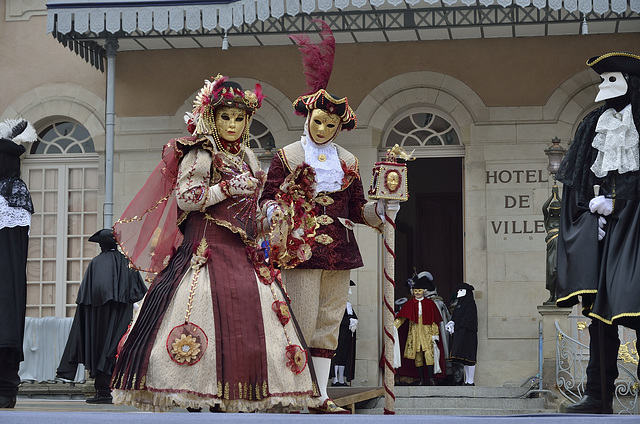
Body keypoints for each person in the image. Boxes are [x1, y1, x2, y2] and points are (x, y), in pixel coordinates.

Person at [109, 75, 320, 413]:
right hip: (203, 251)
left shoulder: (250, 158)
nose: (233, 124)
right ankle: (196, 396)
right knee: (202, 309)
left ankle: (234, 396)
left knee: (253, 321)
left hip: (243, 254)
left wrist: (276, 214)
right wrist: (226, 189)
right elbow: (187, 197)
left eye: (240, 118)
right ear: (212, 116)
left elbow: (253, 216)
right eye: (226, 116)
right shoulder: (201, 152)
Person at [259, 21, 383, 413]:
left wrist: (383, 210)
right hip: (300, 248)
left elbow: (359, 209)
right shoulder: (287, 156)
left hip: (340, 251)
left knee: (329, 322)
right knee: (300, 317)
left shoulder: (348, 161)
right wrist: (278, 212)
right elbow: (265, 199)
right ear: (307, 118)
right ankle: (293, 390)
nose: (325, 128)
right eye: (319, 121)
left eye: (332, 124)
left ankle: (321, 394)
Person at [555, 52, 640, 414]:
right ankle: (598, 394)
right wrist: (589, 211)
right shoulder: (594, 122)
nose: (604, 87)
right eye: (601, 80)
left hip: (636, 224)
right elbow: (579, 174)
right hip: (604, 227)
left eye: (612, 78)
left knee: (632, 301)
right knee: (598, 312)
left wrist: (619, 201)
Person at [56, 228, 147, 404]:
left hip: (97, 316)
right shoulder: (126, 261)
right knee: (115, 347)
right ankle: (114, 390)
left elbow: (88, 295)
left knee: (99, 348)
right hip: (121, 314)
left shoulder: (96, 263)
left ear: (102, 246)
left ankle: (103, 391)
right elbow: (139, 291)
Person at [0, 119, 36, 409]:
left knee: (6, 326)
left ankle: (6, 388)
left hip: (7, 274)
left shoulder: (15, 192)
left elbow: (15, 245)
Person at [394, 272, 444, 386]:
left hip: (427, 333)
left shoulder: (430, 303)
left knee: (429, 355)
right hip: (414, 333)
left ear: (424, 291)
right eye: (415, 291)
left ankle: (431, 378)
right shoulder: (409, 304)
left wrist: (435, 334)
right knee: (418, 357)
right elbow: (401, 318)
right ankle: (421, 379)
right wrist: (394, 326)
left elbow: (434, 320)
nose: (417, 293)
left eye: (419, 291)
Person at [446, 283, 478, 386]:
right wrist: (452, 323)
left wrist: (457, 325)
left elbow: (469, 319)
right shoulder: (459, 304)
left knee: (469, 357)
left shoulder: (470, 304)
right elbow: (455, 317)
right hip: (460, 333)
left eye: (460, 290)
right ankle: (467, 380)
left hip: (468, 334)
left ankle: (471, 380)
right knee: (463, 358)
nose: (458, 293)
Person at [331, 280, 358, 387]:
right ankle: (335, 379)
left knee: (343, 355)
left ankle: (341, 379)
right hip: (338, 333)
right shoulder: (336, 304)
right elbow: (336, 319)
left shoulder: (348, 305)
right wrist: (349, 321)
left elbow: (352, 316)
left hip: (346, 334)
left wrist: (354, 321)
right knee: (336, 355)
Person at [542, 184, 561, 303]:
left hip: (559, 247)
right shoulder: (548, 219)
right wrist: (551, 196)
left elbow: (566, 208)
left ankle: (557, 296)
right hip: (551, 247)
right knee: (551, 272)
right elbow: (544, 208)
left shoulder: (562, 219)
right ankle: (551, 295)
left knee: (558, 270)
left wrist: (558, 196)